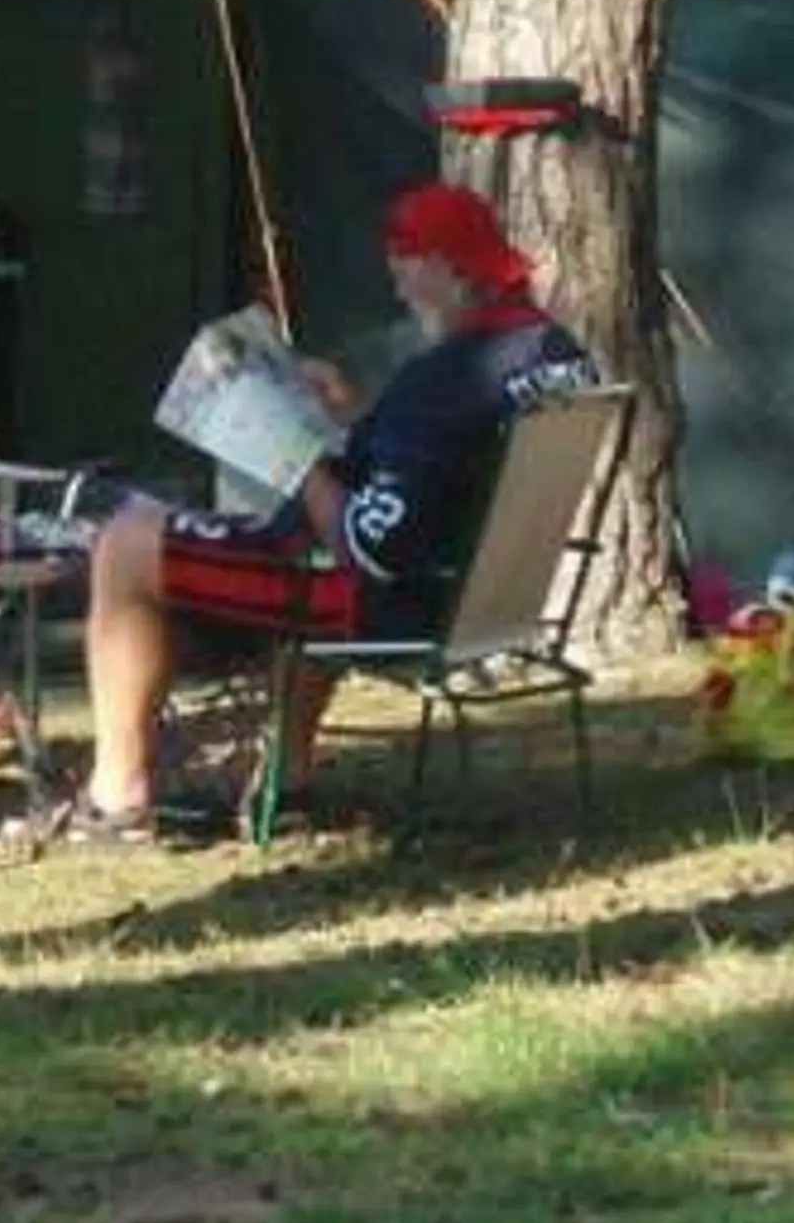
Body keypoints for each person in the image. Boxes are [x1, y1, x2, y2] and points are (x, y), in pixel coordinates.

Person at [41, 181, 598, 844]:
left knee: (126, 546)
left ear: (451, 271)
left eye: (406, 277)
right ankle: (287, 781)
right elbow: (434, 470)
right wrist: (356, 422)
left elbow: (368, 550)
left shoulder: (444, 380)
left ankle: (117, 796)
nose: (399, 295)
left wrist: (295, 453)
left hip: (399, 601)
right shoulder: (556, 351)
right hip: (485, 593)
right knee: (225, 541)